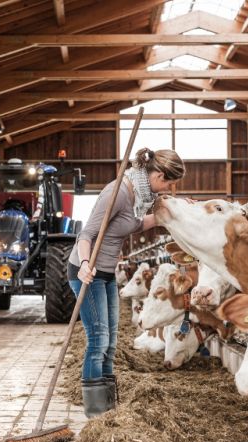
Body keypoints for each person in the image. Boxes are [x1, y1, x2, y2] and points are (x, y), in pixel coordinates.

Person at [68, 147, 186, 418]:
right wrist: (85, 265)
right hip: (88, 272)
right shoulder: (117, 193)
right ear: (156, 174)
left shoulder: (137, 196)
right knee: (98, 340)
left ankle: (107, 408)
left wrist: (170, 213)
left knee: (110, 343)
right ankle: (95, 412)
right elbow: (85, 235)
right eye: (167, 182)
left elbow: (133, 225)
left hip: (108, 274)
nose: (167, 188)